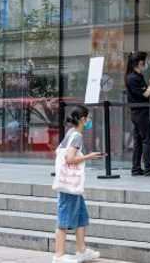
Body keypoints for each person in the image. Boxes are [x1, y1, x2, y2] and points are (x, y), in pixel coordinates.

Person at [53, 105, 103, 263]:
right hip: (69, 185)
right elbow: (69, 158)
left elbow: (58, 151)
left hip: (72, 186)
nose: (89, 121)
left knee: (81, 217)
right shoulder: (77, 136)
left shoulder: (70, 133)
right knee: (64, 218)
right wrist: (89, 156)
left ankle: (81, 251)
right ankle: (58, 255)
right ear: (82, 119)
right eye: (88, 118)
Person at [125, 51, 150, 176]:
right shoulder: (133, 78)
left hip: (138, 112)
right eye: (144, 61)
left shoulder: (136, 76)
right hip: (140, 112)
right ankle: (148, 168)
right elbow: (145, 94)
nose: (145, 64)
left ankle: (136, 168)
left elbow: (145, 91)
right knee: (147, 139)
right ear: (138, 63)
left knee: (139, 140)